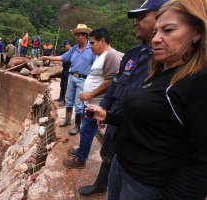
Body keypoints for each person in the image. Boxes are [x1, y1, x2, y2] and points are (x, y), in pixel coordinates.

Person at [86, 0, 207, 199]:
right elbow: (149, 120)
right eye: (156, 32)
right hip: (123, 165)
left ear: (197, 32)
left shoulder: (198, 82)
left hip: (146, 182)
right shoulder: (159, 71)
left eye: (168, 30)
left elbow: (202, 162)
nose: (157, 39)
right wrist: (109, 115)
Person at [78, 0, 168, 196]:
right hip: (117, 119)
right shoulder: (133, 54)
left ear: (164, 15)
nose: (136, 22)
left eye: (142, 16)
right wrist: (104, 109)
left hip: (139, 133)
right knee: (109, 155)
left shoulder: (166, 59)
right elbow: (117, 84)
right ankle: (102, 184)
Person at [63, 28, 123, 169]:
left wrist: (91, 94)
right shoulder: (100, 56)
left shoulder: (111, 55)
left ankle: (80, 159)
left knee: (87, 130)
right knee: (85, 129)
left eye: (92, 43)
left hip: (96, 104)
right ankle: (81, 151)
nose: (90, 46)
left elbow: (110, 82)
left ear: (102, 40)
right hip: (91, 102)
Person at [42, 24, 96, 135]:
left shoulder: (91, 49)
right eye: (75, 35)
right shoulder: (74, 49)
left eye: (78, 35)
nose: (76, 37)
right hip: (71, 77)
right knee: (69, 100)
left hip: (83, 80)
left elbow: (95, 65)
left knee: (79, 104)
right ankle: (67, 120)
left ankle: (77, 126)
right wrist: (48, 57)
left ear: (84, 35)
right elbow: (62, 57)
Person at [54, 40, 71, 106]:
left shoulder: (73, 51)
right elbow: (56, 56)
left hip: (69, 71)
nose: (64, 47)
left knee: (66, 86)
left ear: (68, 44)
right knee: (62, 85)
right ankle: (60, 97)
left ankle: (64, 101)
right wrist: (48, 58)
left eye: (64, 46)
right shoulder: (64, 52)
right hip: (64, 70)